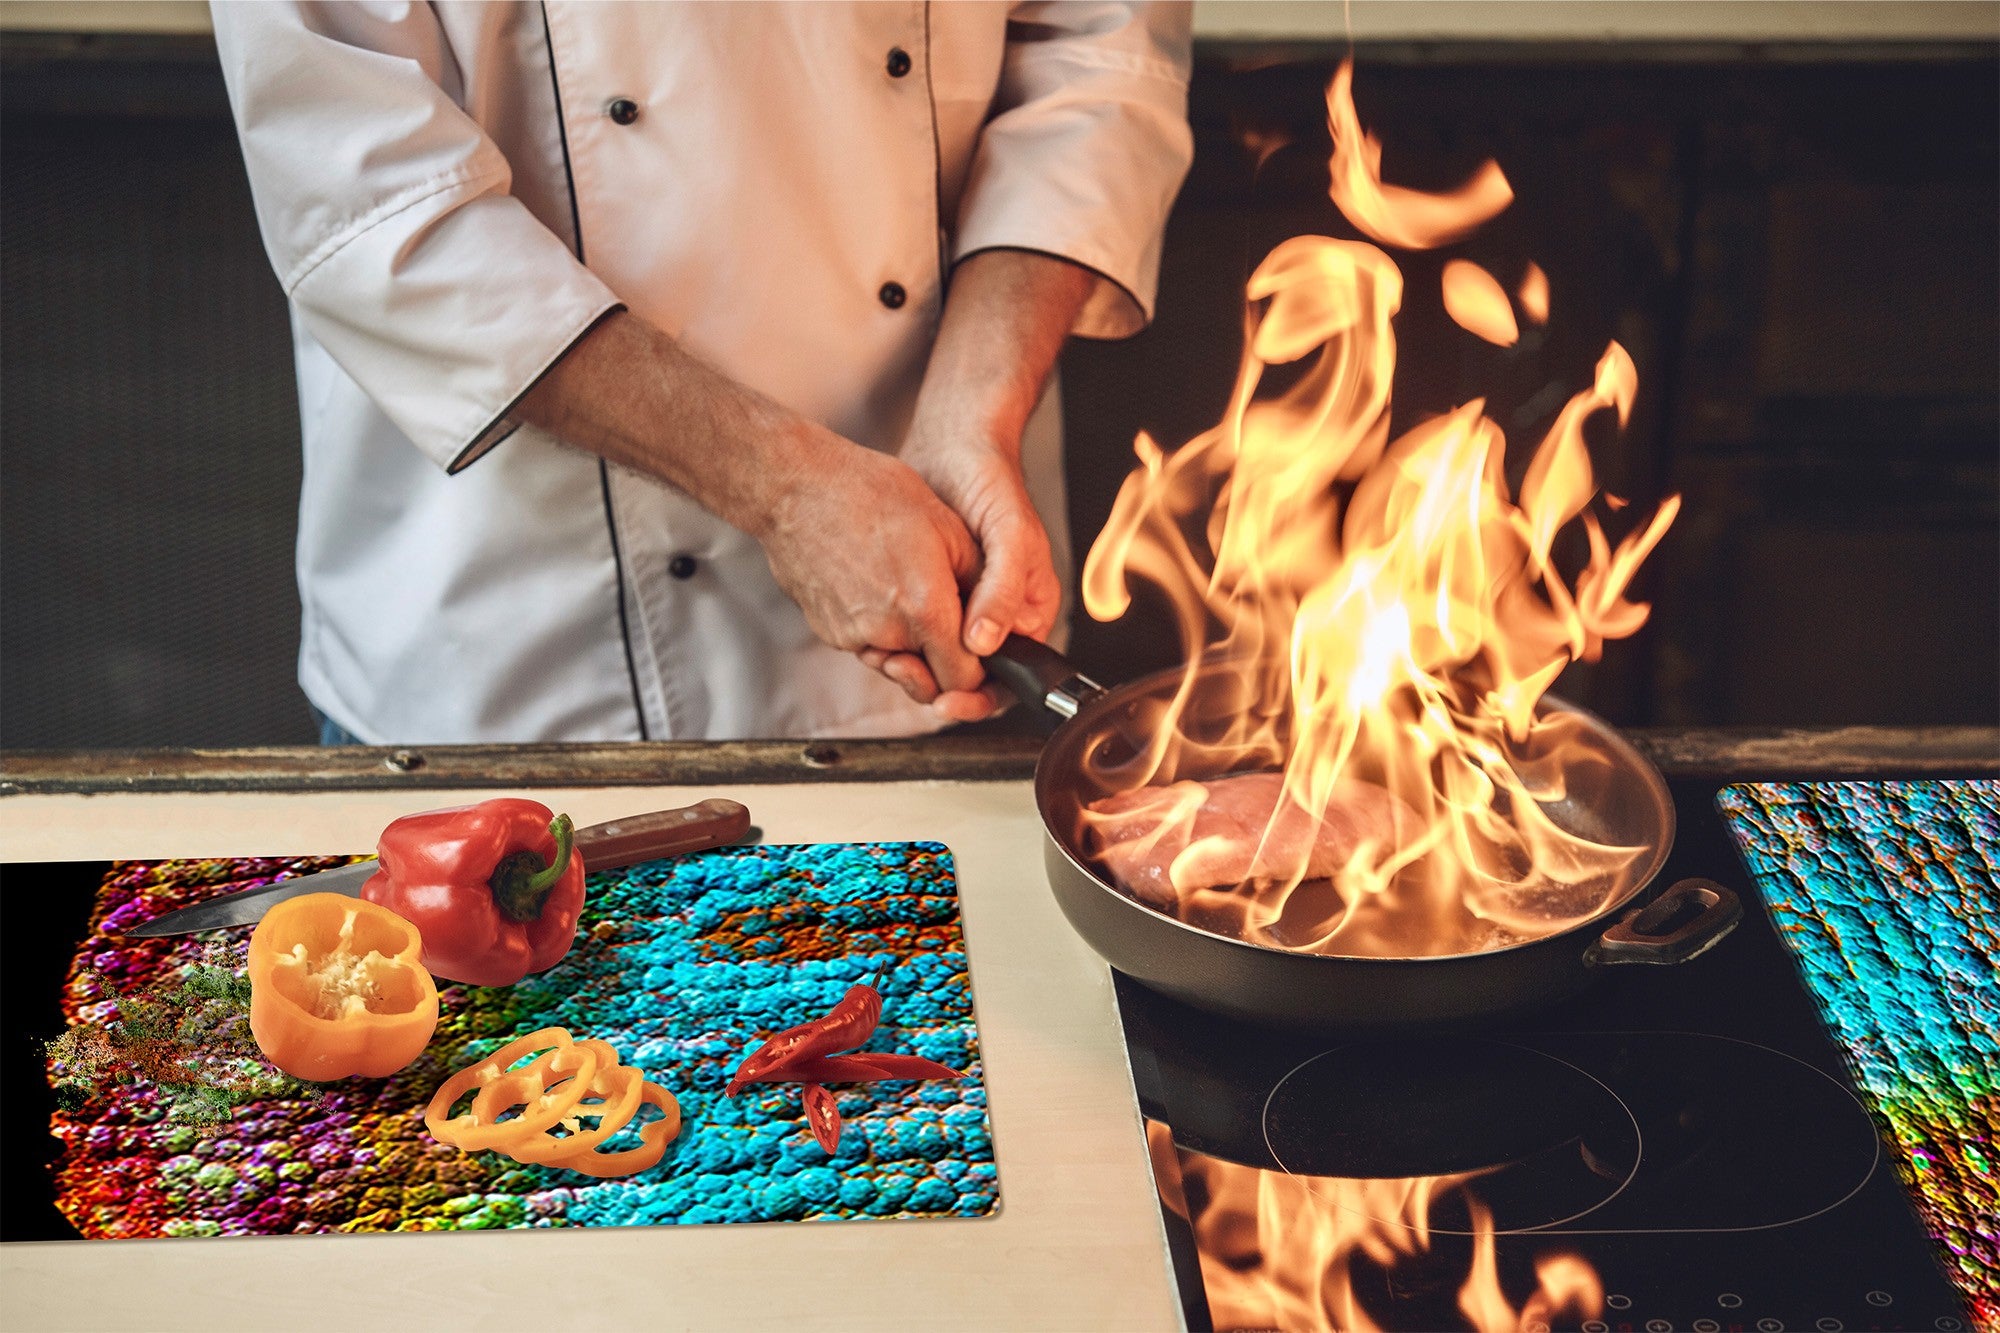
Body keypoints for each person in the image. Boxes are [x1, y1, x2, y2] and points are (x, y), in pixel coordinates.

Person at [211, 1, 1193, 743]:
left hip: (949, 576)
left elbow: (1098, 62)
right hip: (523, 648)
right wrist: (785, 491)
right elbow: (372, 197)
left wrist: (973, 416)